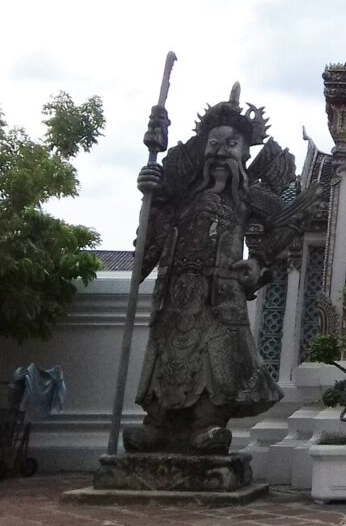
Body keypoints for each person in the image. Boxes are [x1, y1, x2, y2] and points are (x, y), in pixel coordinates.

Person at [123, 85, 303, 454]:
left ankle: (206, 425)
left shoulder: (249, 196)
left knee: (215, 364)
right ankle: (157, 424)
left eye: (231, 144)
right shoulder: (181, 197)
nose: (221, 152)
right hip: (174, 293)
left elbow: (286, 224)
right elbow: (148, 241)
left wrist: (258, 261)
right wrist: (151, 193)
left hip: (219, 296)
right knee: (166, 356)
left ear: (246, 151)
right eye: (214, 144)